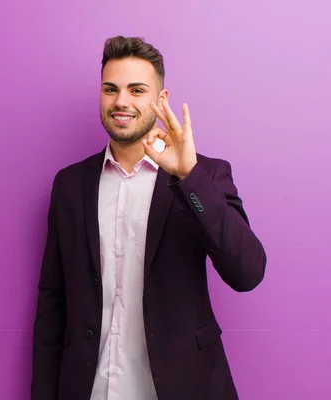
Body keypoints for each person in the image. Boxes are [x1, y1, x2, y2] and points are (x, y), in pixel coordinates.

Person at [31, 35, 267, 400]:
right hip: (90, 389)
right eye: (110, 89)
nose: (120, 101)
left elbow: (247, 272)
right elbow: (53, 299)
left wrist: (188, 176)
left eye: (136, 90)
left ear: (160, 101)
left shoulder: (205, 175)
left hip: (181, 386)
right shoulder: (70, 185)